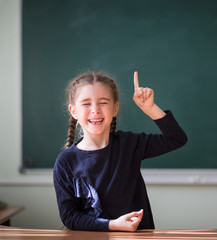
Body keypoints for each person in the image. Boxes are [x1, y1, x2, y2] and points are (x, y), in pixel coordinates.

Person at [53, 71, 187, 232]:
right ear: (73, 111)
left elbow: (177, 139)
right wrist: (112, 225)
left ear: (115, 108)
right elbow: (70, 217)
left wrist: (150, 108)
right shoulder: (66, 162)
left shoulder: (130, 144)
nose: (95, 110)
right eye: (86, 103)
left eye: (103, 102)